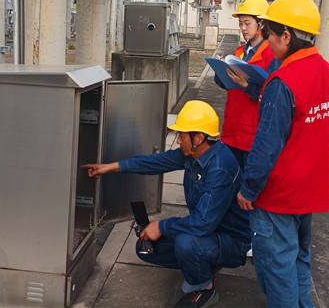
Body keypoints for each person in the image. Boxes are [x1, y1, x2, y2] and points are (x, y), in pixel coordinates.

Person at [82, 100, 250, 308]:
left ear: (199, 137)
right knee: (148, 248)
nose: (178, 140)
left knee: (186, 244)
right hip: (210, 231)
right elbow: (154, 162)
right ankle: (204, 265)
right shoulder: (194, 153)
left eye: (181, 135)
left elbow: (202, 224)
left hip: (232, 241)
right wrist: (111, 167)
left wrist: (162, 226)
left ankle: (204, 289)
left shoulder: (219, 168)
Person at [236, 0, 329, 308]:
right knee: (299, 258)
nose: (267, 43)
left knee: (276, 268)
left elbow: (266, 146)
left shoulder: (282, 82)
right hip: (309, 190)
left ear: (286, 36)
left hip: (278, 196)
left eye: (269, 35)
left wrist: (249, 188)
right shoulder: (328, 73)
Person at [214, 0, 275, 171]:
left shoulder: (270, 54)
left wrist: (249, 87)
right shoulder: (240, 51)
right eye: (240, 23)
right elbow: (229, 86)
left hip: (251, 135)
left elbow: (272, 94)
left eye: (247, 23)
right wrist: (220, 70)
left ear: (261, 24)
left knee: (247, 181)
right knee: (229, 179)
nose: (243, 28)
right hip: (231, 129)